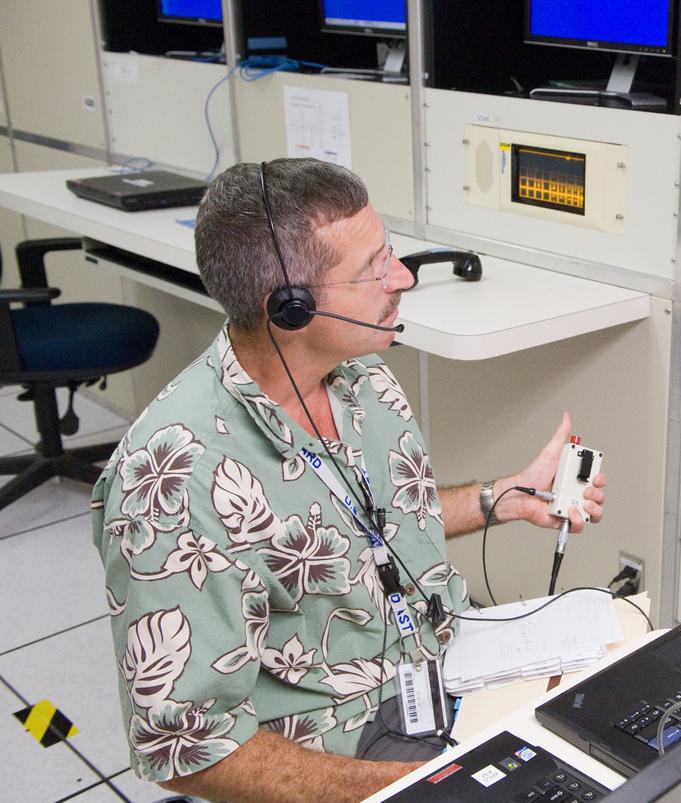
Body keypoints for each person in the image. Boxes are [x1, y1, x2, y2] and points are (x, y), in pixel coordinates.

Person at [90, 158, 606, 802]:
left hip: (445, 659)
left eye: (390, 253)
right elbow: (182, 748)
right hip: (344, 739)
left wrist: (501, 497)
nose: (404, 278)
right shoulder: (172, 483)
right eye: (373, 269)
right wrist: (422, 788)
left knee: (625, 717)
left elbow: (362, 530)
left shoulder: (361, 378)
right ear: (291, 309)